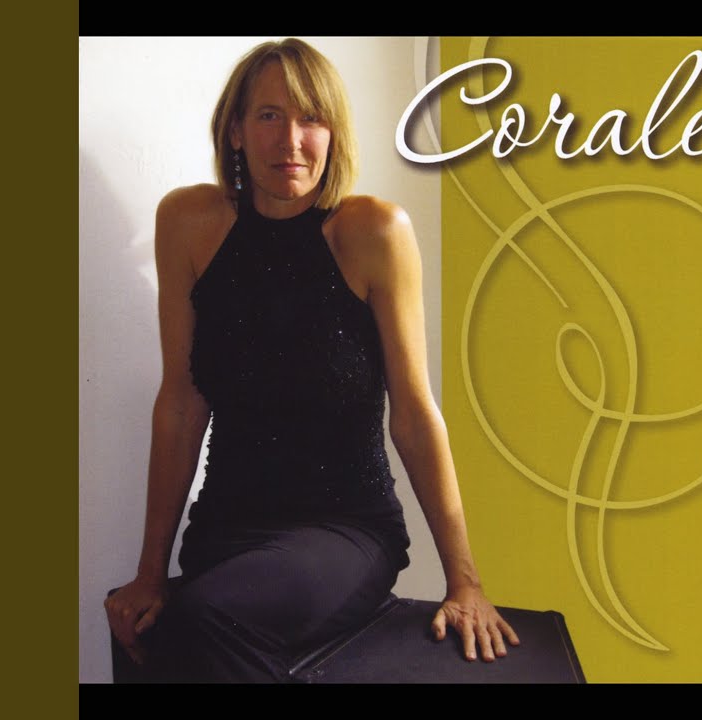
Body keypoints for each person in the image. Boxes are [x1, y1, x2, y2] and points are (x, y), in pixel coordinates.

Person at [103, 38, 518, 682]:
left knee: (201, 620)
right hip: (225, 531)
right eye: (269, 116)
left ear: (334, 132)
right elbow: (181, 403)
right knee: (179, 625)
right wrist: (149, 573)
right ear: (235, 130)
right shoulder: (188, 223)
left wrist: (465, 582)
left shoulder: (373, 232)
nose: (290, 141)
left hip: (346, 533)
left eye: (311, 118)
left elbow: (413, 415)